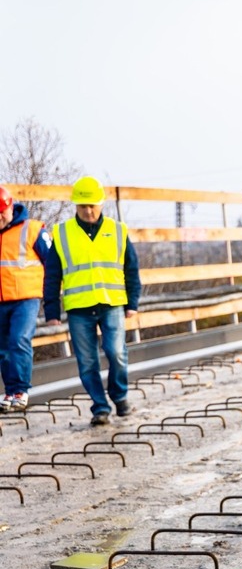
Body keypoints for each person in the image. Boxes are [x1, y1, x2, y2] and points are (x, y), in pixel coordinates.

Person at [43, 176, 141, 427]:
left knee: (116, 352)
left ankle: (119, 397)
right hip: (79, 308)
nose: (88, 211)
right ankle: (100, 407)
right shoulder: (62, 233)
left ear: (101, 204)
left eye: (93, 206)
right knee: (87, 362)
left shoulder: (117, 230)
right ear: (75, 205)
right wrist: (52, 309)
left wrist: (133, 302)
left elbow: (131, 268)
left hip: (112, 303)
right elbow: (52, 274)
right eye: (83, 206)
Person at [0, 186, 53, 414]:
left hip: (26, 298)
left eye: (1, 212)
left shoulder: (32, 230)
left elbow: (52, 262)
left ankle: (21, 390)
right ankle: (11, 391)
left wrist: (52, 299)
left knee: (19, 339)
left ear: (10, 207)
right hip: (2, 299)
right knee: (3, 348)